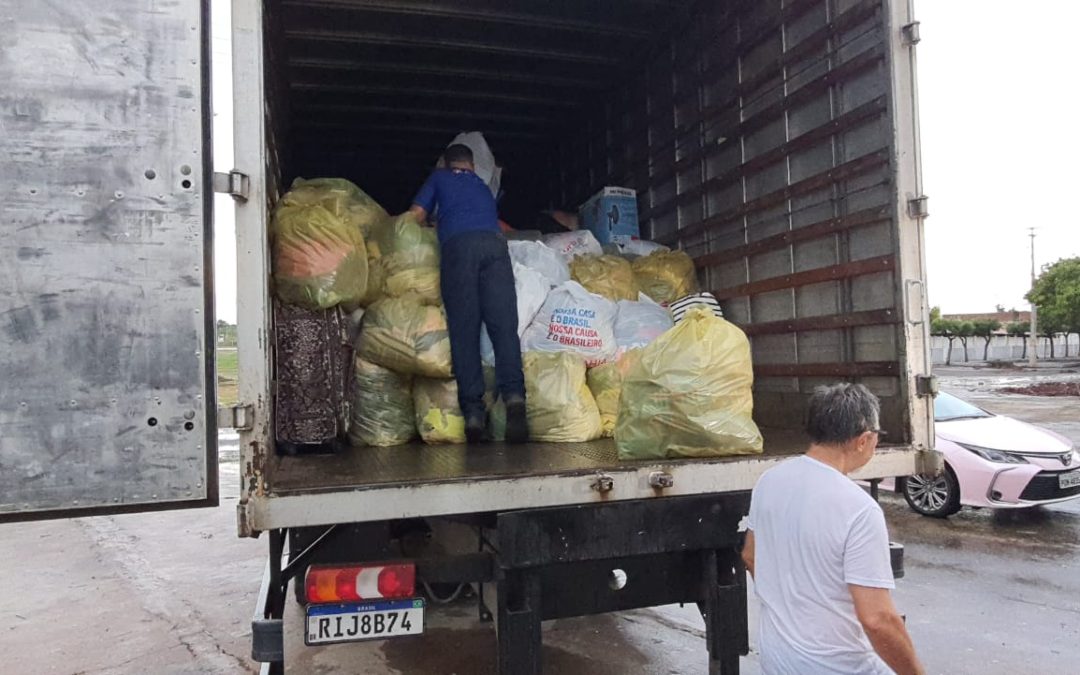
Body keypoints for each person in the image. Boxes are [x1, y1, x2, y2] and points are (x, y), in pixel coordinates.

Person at [742, 383, 924, 675]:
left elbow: (751, 556)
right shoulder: (859, 509)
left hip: (778, 662)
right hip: (839, 666)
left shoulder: (769, 481)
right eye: (877, 437)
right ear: (864, 440)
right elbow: (877, 619)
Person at [408, 144, 528, 444]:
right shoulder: (484, 187)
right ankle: (515, 400)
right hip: (495, 248)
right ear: (472, 164)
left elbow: (415, 216)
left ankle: (474, 415)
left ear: (445, 162)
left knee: (465, 331)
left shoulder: (439, 177)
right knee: (503, 328)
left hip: (460, 251)